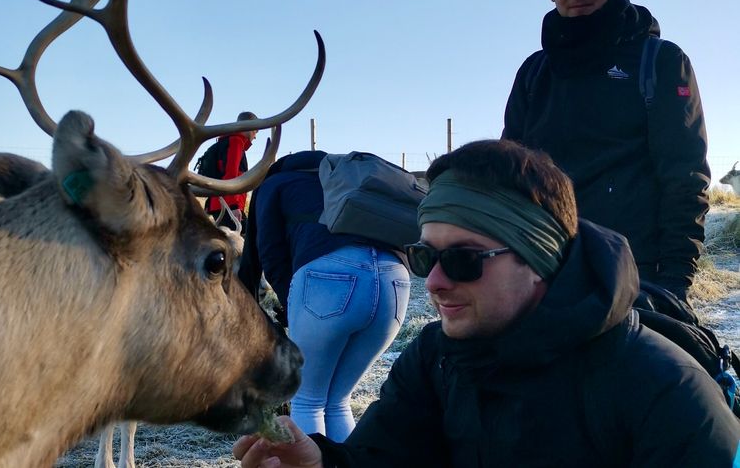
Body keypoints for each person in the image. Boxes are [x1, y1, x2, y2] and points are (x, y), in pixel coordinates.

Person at [233, 140, 740, 467]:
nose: (432, 282)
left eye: (463, 260)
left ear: (541, 259)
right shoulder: (434, 360)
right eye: (423, 255)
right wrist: (320, 465)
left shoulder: (666, 393)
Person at [502, 0, 710, 303]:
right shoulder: (533, 73)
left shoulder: (661, 61)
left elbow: (684, 175)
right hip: (545, 269)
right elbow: (509, 177)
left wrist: (675, 279)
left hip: (637, 274)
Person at [237, 150, 411, 442]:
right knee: (338, 401)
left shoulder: (276, 183)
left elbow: (268, 253)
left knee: (307, 400)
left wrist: (290, 306)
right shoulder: (347, 177)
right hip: (396, 279)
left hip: (328, 276)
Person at [203, 111, 260, 232]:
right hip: (226, 206)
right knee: (251, 238)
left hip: (221, 203)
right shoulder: (236, 141)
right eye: (255, 131)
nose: (255, 136)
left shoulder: (227, 141)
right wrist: (233, 206)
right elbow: (230, 175)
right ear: (249, 127)